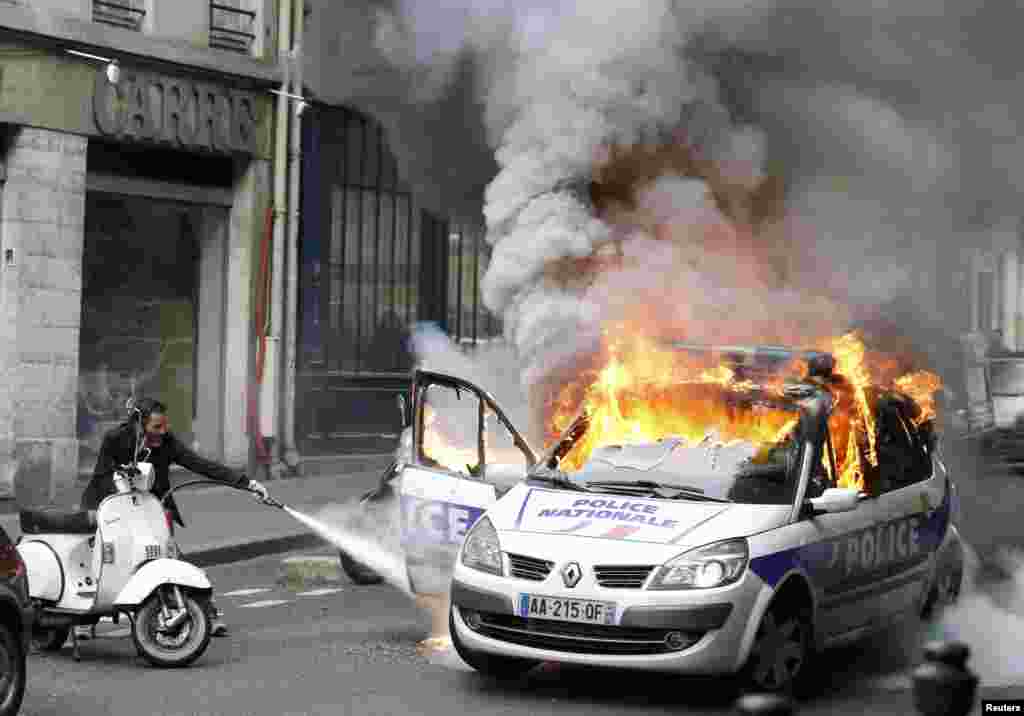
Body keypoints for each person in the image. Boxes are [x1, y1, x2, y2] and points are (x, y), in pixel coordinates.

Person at [80, 398, 270, 640]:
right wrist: (121, 488)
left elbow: (200, 464)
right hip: (109, 506)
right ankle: (84, 621)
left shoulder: (167, 442)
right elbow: (101, 476)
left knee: (171, 557)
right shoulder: (115, 438)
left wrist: (247, 484)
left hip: (151, 508)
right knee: (100, 557)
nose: (162, 432)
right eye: (156, 427)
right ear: (139, 424)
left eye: (164, 426)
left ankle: (207, 613)